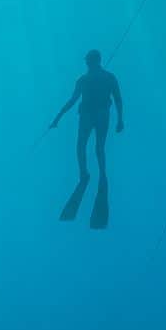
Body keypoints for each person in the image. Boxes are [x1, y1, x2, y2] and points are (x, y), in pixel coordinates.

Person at [50, 49, 124, 228]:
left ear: (92, 61)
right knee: (88, 146)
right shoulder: (91, 79)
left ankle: (93, 174)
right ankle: (89, 173)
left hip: (95, 114)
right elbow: (73, 100)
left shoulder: (97, 78)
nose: (88, 64)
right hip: (95, 114)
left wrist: (121, 119)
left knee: (91, 147)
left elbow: (117, 98)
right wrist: (57, 118)